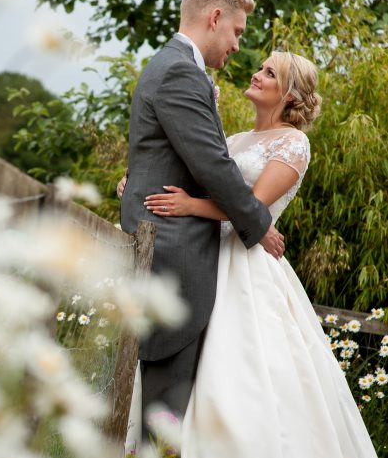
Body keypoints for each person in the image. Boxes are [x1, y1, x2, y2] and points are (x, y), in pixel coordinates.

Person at [141, 51, 378, 457]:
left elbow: (253, 206)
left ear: (288, 95)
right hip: (206, 256)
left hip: (248, 266)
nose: (257, 74)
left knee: (244, 364)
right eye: (261, 68)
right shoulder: (233, 140)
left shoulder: (293, 143)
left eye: (270, 73)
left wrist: (191, 206)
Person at [118, 0, 284, 442]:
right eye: (237, 32)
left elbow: (164, 154)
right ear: (215, 18)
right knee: (166, 408)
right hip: (175, 251)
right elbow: (211, 162)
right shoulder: (178, 71)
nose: (236, 46)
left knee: (170, 406)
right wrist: (259, 223)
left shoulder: (175, 67)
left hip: (175, 244)